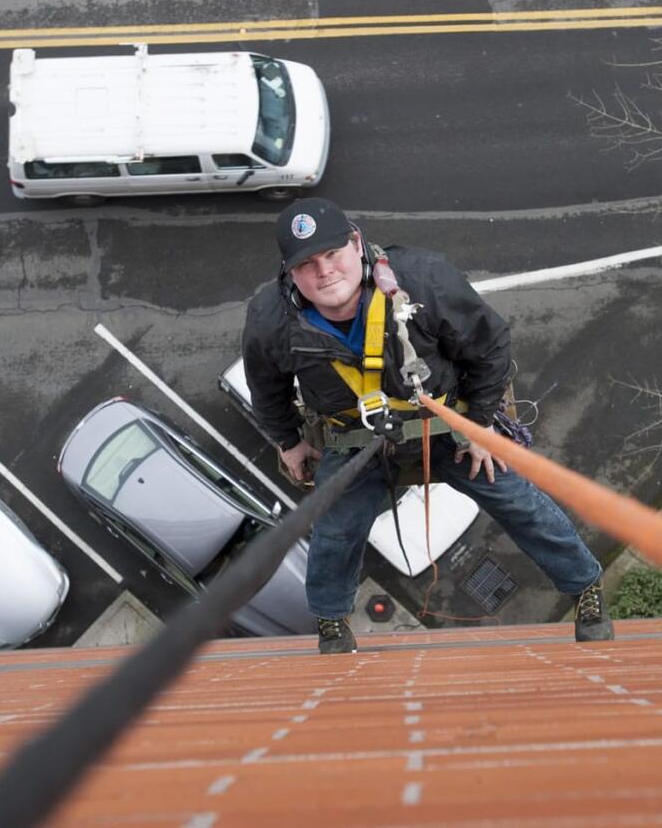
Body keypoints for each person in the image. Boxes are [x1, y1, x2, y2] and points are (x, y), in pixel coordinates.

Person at [242, 198, 614, 654]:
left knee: (517, 500)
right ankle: (331, 620)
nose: (324, 272)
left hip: (444, 425)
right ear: (289, 271)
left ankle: (585, 587)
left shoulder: (422, 280)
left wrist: (478, 428)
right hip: (357, 439)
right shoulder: (271, 320)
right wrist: (289, 441)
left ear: (356, 244)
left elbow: (491, 347)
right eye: (307, 264)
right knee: (335, 528)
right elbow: (266, 386)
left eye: (332, 254)